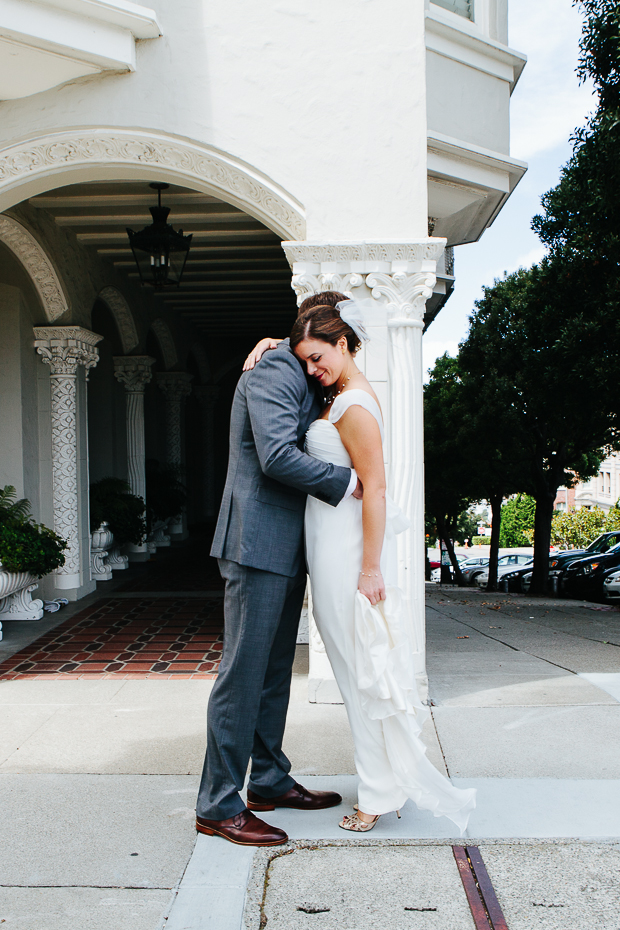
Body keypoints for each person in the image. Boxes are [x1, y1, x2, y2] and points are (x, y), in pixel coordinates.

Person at [246, 299, 476, 833]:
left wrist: (370, 569)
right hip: (327, 551)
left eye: (317, 357)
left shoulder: (356, 407)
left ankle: (377, 791)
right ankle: (381, 780)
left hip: (348, 556)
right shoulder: (337, 397)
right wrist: (270, 347)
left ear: (344, 343)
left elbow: (376, 490)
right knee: (354, 672)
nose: (311, 369)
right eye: (303, 360)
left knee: (360, 675)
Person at [195, 292, 360, 848]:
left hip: (285, 546)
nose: (317, 365)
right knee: (242, 673)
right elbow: (275, 456)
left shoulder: (301, 370)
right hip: (256, 541)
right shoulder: (274, 369)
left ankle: (266, 780)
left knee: (271, 674)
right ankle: (218, 804)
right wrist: (346, 484)